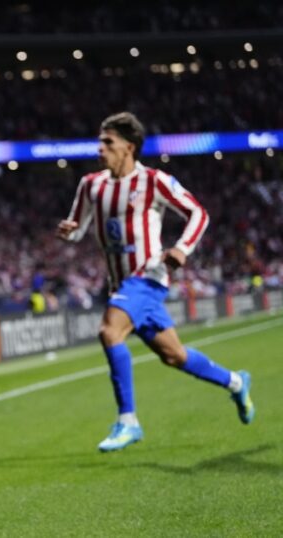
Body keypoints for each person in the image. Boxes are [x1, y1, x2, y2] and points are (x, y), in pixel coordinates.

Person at [57, 112, 254, 452]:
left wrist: (182, 248)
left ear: (129, 147)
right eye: (100, 142)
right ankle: (236, 382)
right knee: (174, 355)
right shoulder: (90, 184)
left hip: (147, 276)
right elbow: (78, 227)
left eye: (108, 143)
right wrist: (69, 232)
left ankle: (128, 420)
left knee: (110, 331)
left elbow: (198, 213)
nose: (100, 149)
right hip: (121, 284)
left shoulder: (154, 181)